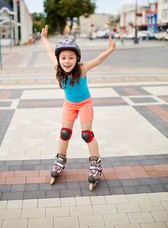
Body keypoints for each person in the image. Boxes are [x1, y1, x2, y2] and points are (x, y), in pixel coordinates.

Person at [41, 25, 116, 186]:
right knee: (65, 133)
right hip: (69, 105)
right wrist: (44, 38)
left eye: (71, 57)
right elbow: (49, 52)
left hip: (84, 104)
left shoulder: (82, 69)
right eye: (63, 58)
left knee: (86, 134)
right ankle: (60, 160)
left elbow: (99, 60)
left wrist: (110, 49)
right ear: (59, 59)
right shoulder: (58, 68)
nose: (67, 61)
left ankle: (96, 165)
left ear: (77, 59)